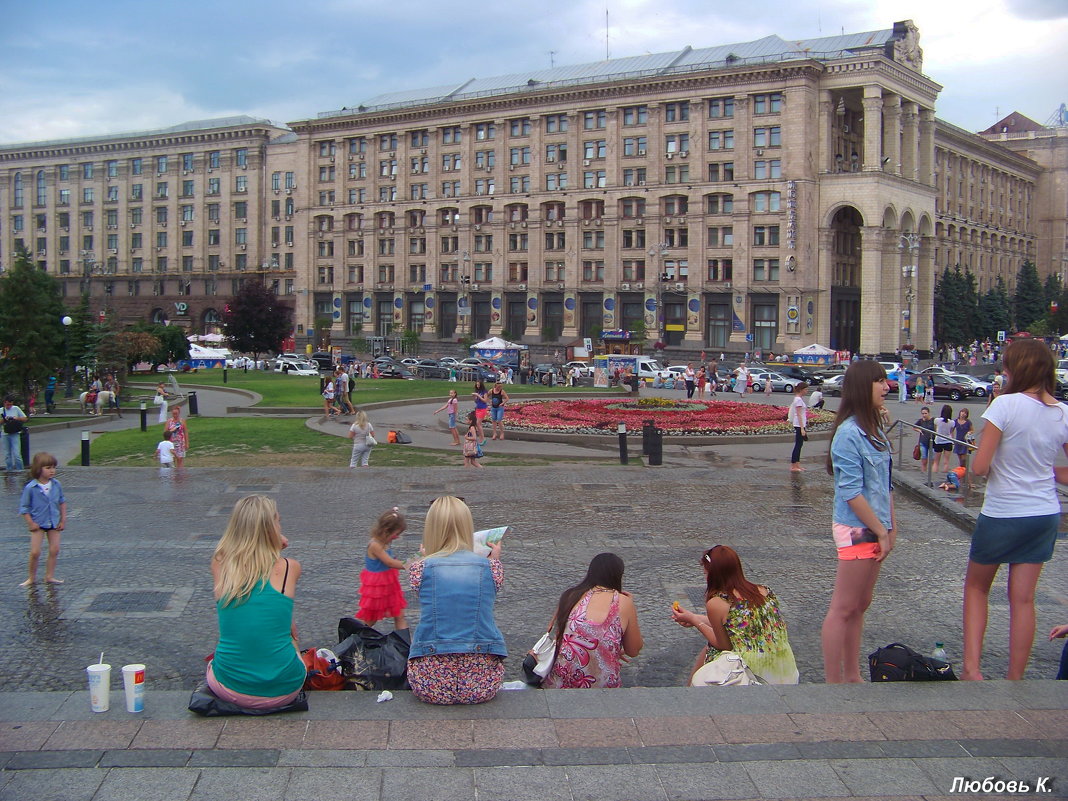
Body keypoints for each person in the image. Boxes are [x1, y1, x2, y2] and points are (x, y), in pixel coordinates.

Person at [963, 338, 1068, 681]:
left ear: (1017, 370)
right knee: (1022, 599)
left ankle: (972, 669)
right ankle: (1015, 678)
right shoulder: (1063, 412)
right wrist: (1043, 471)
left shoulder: (1004, 406)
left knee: (977, 588)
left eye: (1006, 366)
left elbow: (979, 467)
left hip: (1004, 511)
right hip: (1044, 512)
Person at [822, 361, 895, 683]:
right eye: (879, 381)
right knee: (843, 607)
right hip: (855, 527)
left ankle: (852, 675)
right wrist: (880, 529)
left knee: (860, 605)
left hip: (876, 526)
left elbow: (886, 483)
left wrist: (890, 527)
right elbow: (851, 492)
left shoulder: (875, 430)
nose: (886, 387)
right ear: (863, 386)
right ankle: (833, 681)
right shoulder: (848, 433)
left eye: (885, 381)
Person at [206, 495, 305, 710]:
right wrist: (277, 548)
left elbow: (249, 580)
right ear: (271, 529)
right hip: (285, 689)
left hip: (229, 688)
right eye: (278, 521)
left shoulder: (220, 564)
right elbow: (272, 602)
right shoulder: (290, 568)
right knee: (289, 632)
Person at [407, 496, 506, 704]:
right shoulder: (491, 568)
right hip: (482, 682)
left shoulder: (419, 569)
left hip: (429, 682)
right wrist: (494, 559)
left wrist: (425, 556)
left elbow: (425, 587)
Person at [672, 545, 798, 684]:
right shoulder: (764, 591)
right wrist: (696, 617)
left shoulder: (717, 602)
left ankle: (691, 694)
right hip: (784, 666)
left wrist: (695, 621)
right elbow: (740, 625)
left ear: (713, 574)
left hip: (752, 672)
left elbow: (723, 644)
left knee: (710, 649)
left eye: (705, 573)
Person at [541, 553, 643, 689]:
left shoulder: (570, 595)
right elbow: (633, 650)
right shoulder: (623, 601)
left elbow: (559, 636)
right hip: (601, 686)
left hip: (561, 682)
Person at [355, 507, 408, 630]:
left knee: (399, 615)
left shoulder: (384, 542)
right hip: (377, 587)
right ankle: (355, 639)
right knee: (370, 619)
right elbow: (390, 562)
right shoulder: (375, 545)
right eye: (396, 534)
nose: (397, 537)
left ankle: (405, 644)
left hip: (389, 584)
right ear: (386, 531)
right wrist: (414, 562)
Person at [18, 452, 66, 586]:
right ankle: (31, 578)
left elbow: (62, 502)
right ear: (39, 469)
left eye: (53, 467)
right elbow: (24, 508)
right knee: (35, 552)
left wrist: (63, 520)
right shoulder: (31, 487)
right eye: (48, 468)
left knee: (54, 549)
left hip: (54, 521)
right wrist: (30, 523)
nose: (52, 471)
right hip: (38, 523)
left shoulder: (56, 485)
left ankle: (49, 576)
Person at [2, 396, 28, 471]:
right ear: (4, 403)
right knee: (7, 454)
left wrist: (16, 418)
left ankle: (20, 470)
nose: (9, 406)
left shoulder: (16, 408)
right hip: (5, 434)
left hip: (15, 433)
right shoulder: (1, 410)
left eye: (11, 404)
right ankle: (9, 470)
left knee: (17, 454)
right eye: (7, 405)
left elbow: (25, 418)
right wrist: (4, 419)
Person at [788, 382, 809, 471]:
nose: (807, 391)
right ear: (801, 390)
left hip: (800, 424)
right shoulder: (798, 400)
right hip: (799, 424)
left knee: (800, 444)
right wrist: (802, 428)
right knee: (798, 444)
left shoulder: (799, 399)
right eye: (806, 389)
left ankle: (797, 464)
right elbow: (799, 414)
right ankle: (794, 465)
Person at [932, 404, 955, 474]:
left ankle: (934, 475)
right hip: (948, 441)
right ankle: (944, 475)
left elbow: (935, 429)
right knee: (946, 461)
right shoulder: (952, 422)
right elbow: (951, 432)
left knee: (936, 462)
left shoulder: (937, 420)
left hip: (938, 441)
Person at [914, 406, 936, 472]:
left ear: (929, 413)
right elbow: (914, 427)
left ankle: (932, 473)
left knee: (932, 459)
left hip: (933, 442)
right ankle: (923, 473)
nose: (924, 415)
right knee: (924, 459)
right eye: (923, 413)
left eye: (925, 413)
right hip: (923, 442)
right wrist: (919, 430)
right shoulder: (920, 421)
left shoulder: (933, 420)